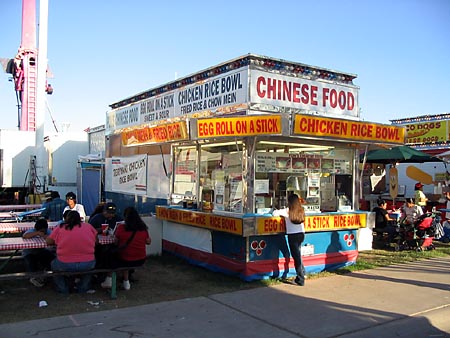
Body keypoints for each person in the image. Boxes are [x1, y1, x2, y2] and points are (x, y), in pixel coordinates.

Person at [45, 210, 98, 294]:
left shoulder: (60, 227)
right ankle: (83, 287)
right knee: (90, 267)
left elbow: (48, 241)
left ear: (66, 218)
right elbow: (96, 241)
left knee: (53, 265)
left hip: (64, 263)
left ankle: (62, 288)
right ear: (80, 219)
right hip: (87, 263)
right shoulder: (88, 227)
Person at [101, 206, 151, 291]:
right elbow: (148, 242)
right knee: (125, 259)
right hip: (141, 259)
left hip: (126, 259)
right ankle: (126, 282)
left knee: (113, 257)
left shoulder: (121, 228)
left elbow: (116, 242)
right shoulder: (143, 228)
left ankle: (109, 279)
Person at [272, 193, 306, 286]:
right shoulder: (301, 210)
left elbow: (275, 213)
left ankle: (300, 279)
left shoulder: (287, 211)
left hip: (292, 236)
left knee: (296, 257)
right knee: (298, 254)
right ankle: (303, 272)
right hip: (301, 234)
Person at [22, 218, 55, 287]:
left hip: (41, 251)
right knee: (30, 261)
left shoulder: (48, 231)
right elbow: (25, 236)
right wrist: (36, 233)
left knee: (50, 257)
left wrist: (45, 236)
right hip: (29, 252)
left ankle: (49, 273)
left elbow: (53, 238)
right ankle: (33, 277)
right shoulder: (32, 231)